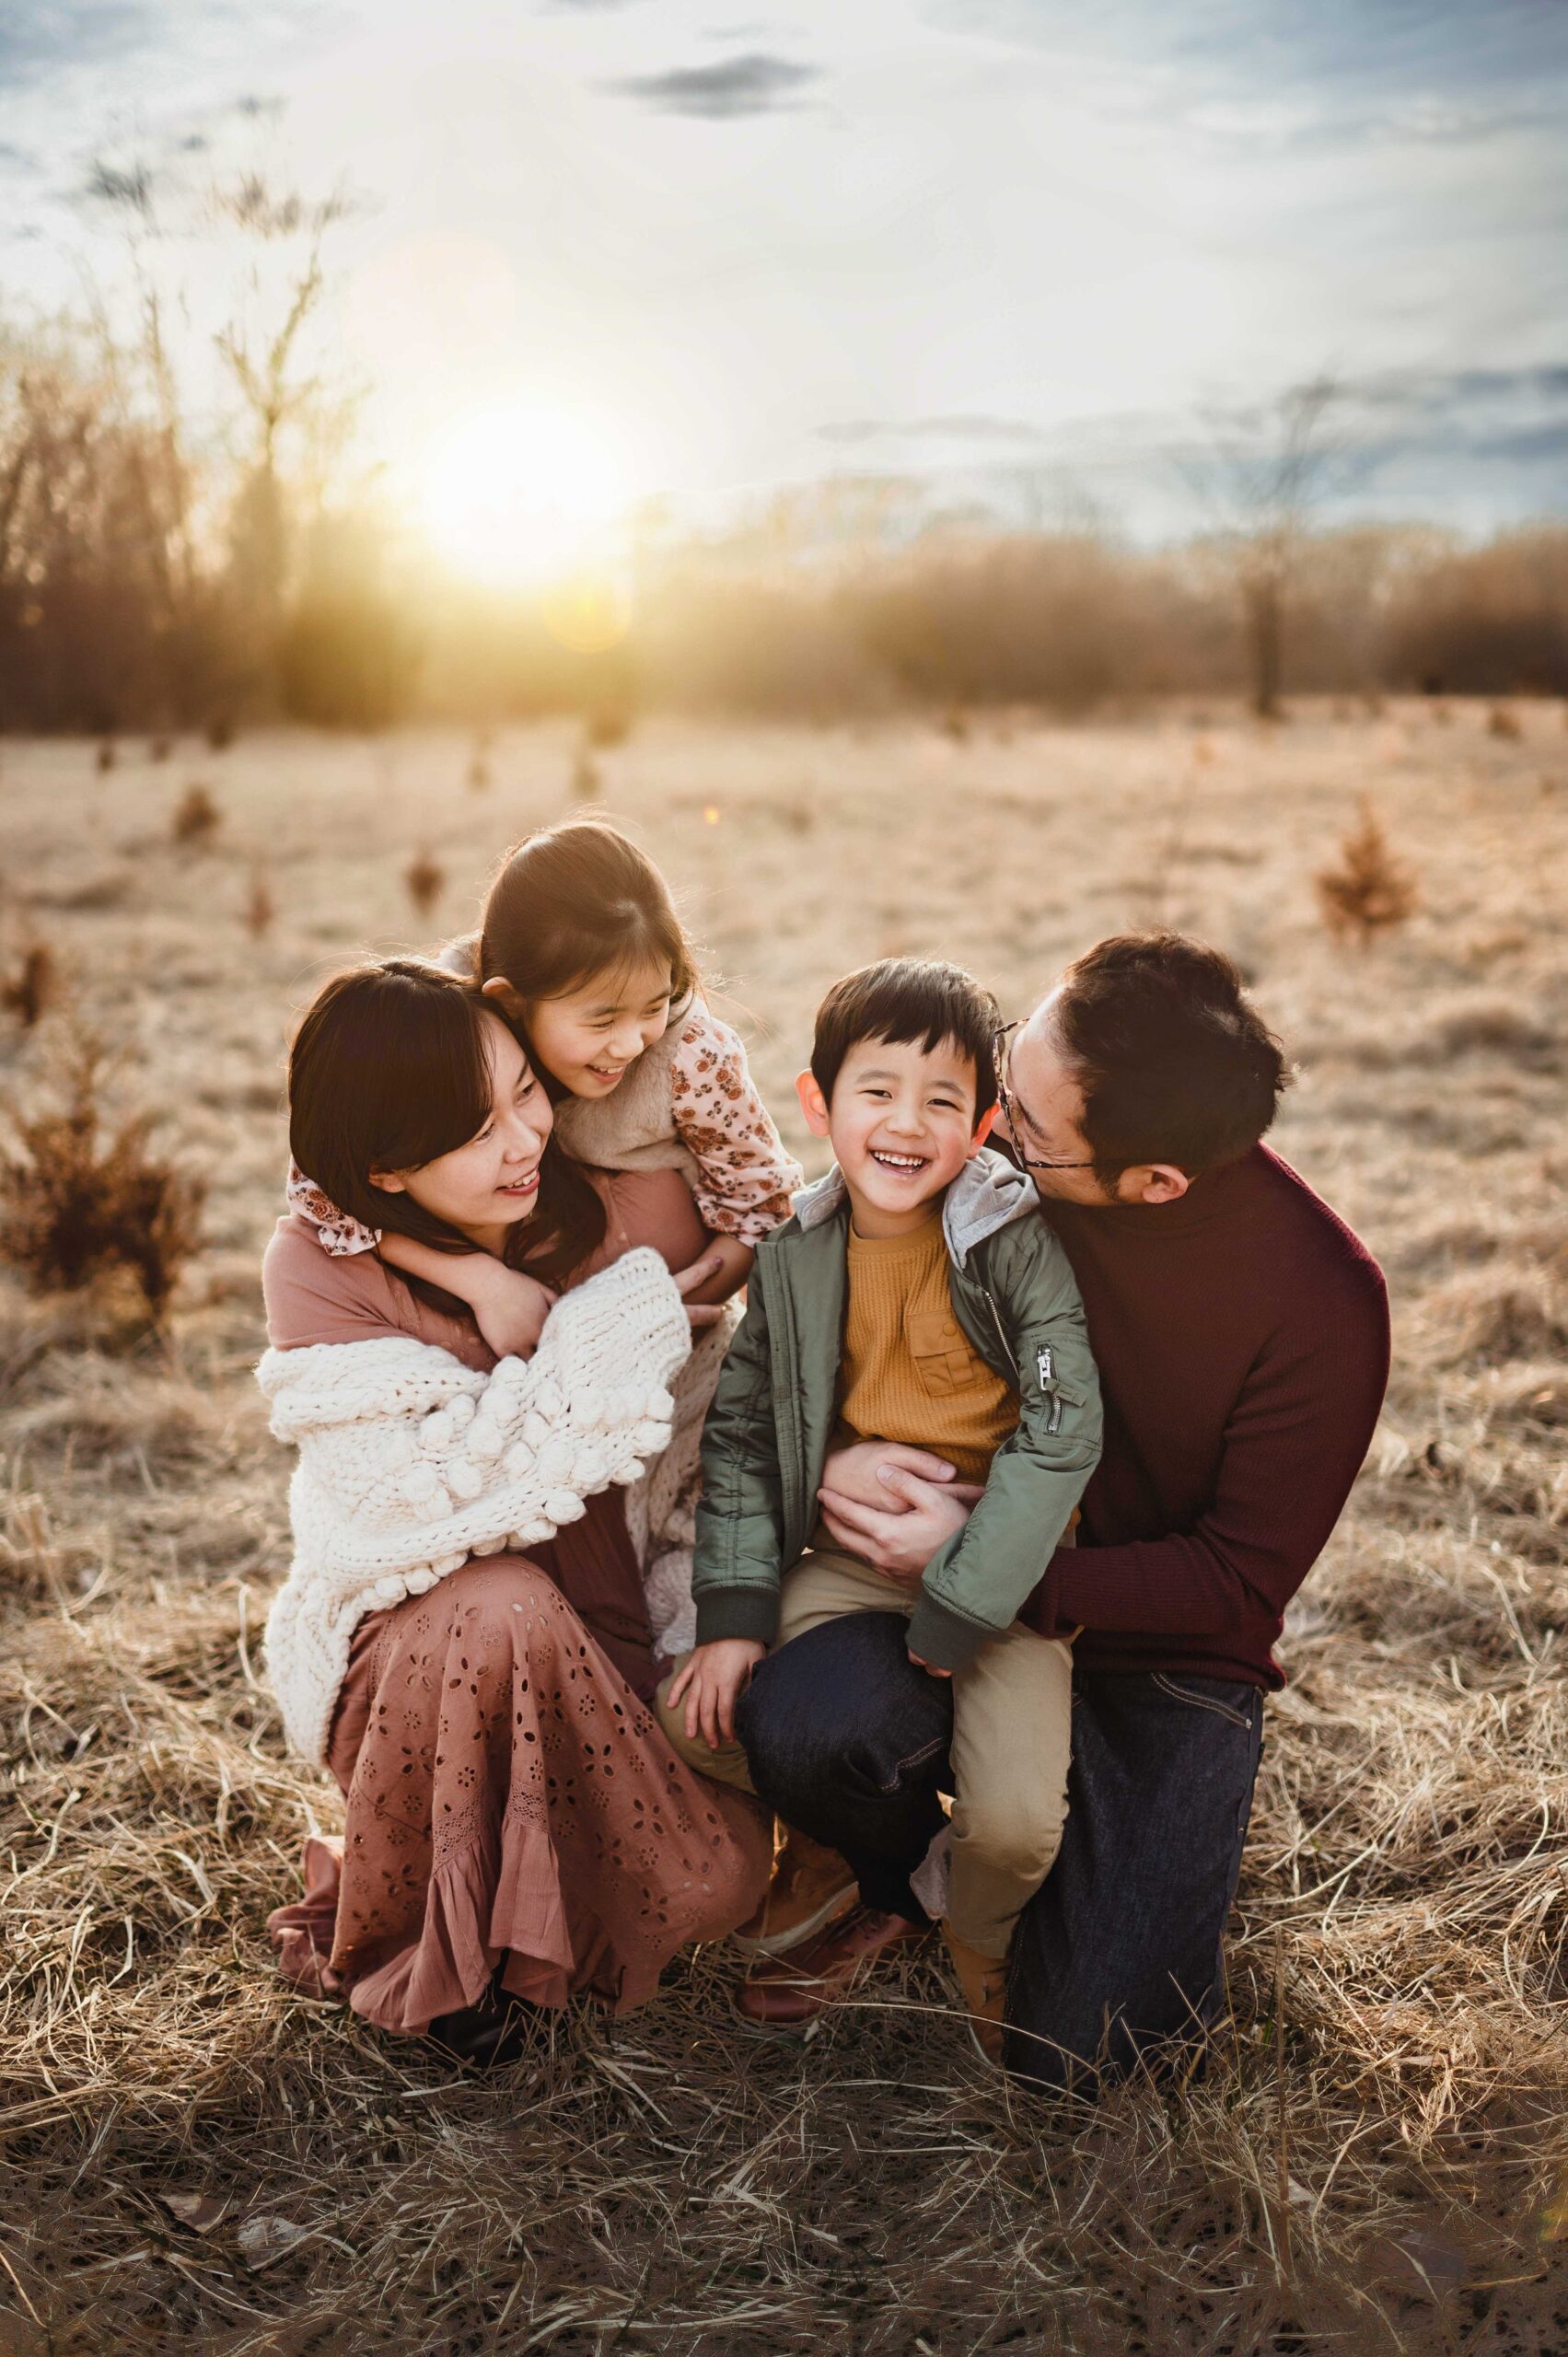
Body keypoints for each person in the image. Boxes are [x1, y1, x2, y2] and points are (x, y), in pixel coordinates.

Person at [734, 933, 1390, 2087]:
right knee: (806, 1724)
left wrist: (989, 1561)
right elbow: (828, 1319)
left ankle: (1039, 1862)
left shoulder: (1322, 1305)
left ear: (1150, 1183)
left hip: (1151, 1645)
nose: (988, 1126)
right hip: (927, 1583)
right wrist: (832, 1457)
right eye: (1003, 1068)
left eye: (1027, 1127)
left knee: (1086, 2052)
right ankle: (886, 1874)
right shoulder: (989, 1182)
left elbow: (1233, 1586)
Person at [261, 958, 771, 2061]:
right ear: (387, 1168)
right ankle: (449, 1961)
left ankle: (538, 1913)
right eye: (474, 1129)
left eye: (525, 1094)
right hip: (410, 1658)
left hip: (607, 1631)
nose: (522, 1141)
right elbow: (422, 1500)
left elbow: (763, 1209)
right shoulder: (315, 1268)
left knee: (724, 1876)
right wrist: (563, 1315)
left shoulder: (600, 1198)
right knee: (496, 1603)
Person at [659, 958, 1101, 2059]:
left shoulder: (1013, 1245)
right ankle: (877, 1869)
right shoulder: (798, 1254)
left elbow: (1061, 1429)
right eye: (876, 1090)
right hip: (851, 1560)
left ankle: (980, 1933)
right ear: (817, 1103)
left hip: (997, 1572)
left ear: (984, 1123)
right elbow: (746, 1432)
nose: (905, 1125)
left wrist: (961, 1604)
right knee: (696, 1718)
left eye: (942, 1100)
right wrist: (730, 1619)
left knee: (1011, 1829)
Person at [285, 817, 804, 1666]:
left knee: (663, 1555)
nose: (630, 1041)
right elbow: (325, 1187)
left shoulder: (693, 1053)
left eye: (655, 1002)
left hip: (677, 1347)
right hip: (524, 1357)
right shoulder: (452, 1017)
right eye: (601, 1018)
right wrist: (473, 1278)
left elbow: (761, 1207)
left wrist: (673, 1297)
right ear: (507, 1002)